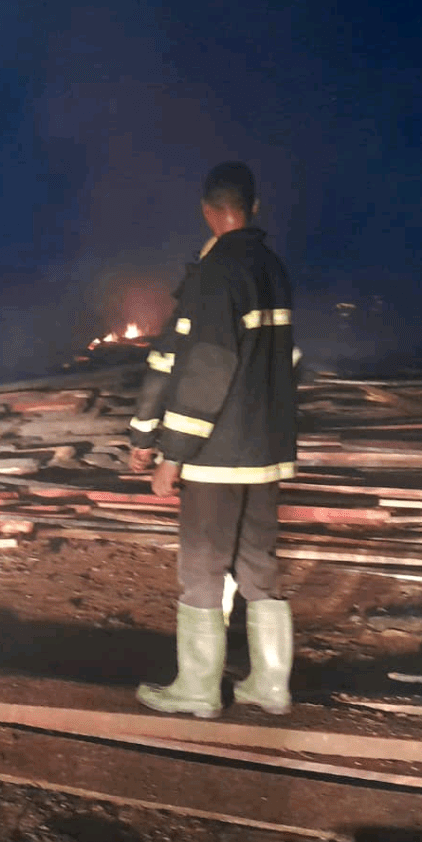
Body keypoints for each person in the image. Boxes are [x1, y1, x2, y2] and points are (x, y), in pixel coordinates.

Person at [128, 161, 297, 719]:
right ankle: (270, 685)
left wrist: (170, 454)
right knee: (259, 565)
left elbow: (207, 368)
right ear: (255, 207)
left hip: (216, 457)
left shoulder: (216, 272)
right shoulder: (272, 268)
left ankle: (198, 690)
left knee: (202, 569)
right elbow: (284, 360)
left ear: (207, 211)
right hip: (265, 455)